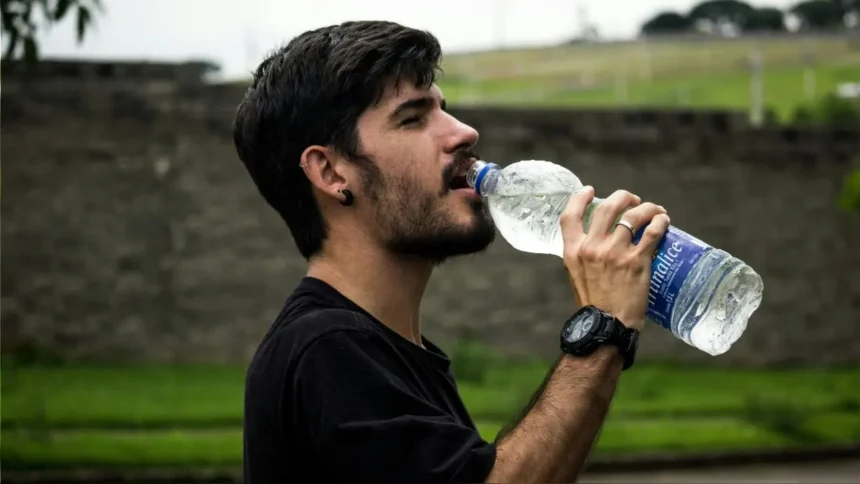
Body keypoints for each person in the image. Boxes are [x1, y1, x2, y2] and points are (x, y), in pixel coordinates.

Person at [232, 20, 670, 483]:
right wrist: (602, 326)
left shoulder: (391, 351)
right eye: (412, 118)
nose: (464, 133)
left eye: (444, 109)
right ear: (332, 172)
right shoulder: (326, 349)